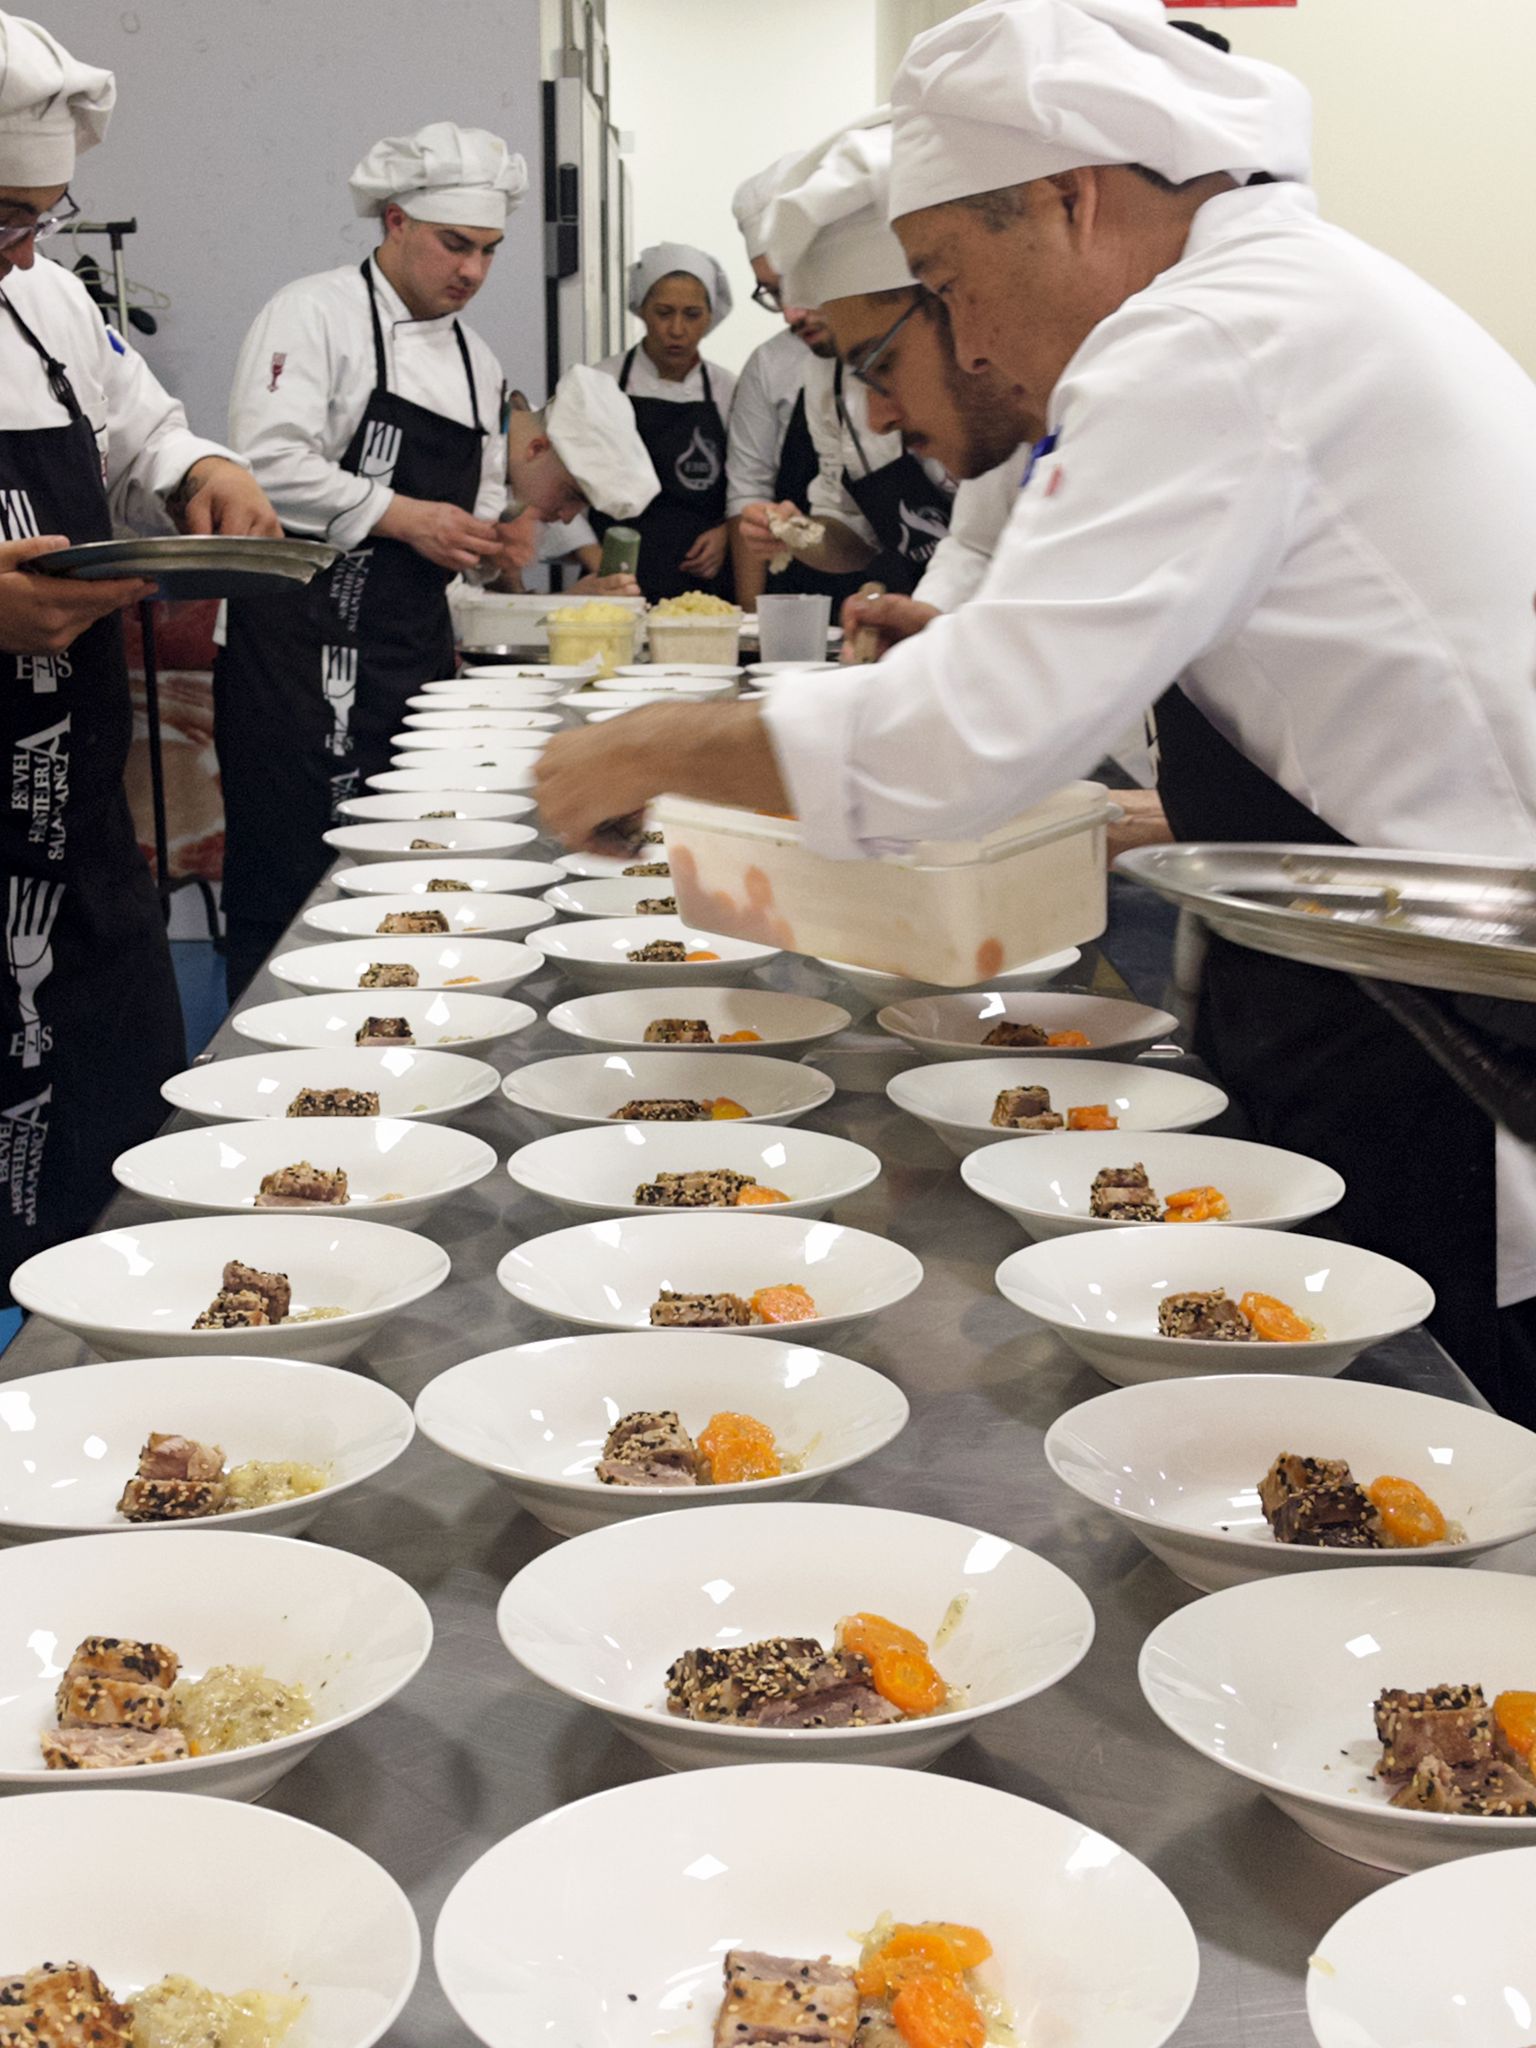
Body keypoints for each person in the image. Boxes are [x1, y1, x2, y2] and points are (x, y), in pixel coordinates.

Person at [536, 0, 1536, 1417]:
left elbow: (970, 742)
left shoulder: (1208, 336)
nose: (953, 347)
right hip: (1373, 996)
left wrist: (644, 750)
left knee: (1448, 1486)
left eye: (943, 280)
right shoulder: (1261, 303)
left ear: (1068, 204)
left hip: (1459, 1044)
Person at [0, 10, 279, 1289]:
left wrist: (201, 466)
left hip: (74, 838)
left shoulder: (48, 301)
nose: (19, 248)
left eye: (38, 218)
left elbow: (140, 427)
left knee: (114, 1164)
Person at [214, 121, 535, 1000]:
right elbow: (267, 464)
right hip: (294, 655)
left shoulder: (477, 359)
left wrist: (486, 540)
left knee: (402, 873)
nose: (471, 271)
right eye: (454, 244)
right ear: (395, 222)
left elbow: (485, 493)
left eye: (490, 251)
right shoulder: (312, 313)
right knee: (293, 881)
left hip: (407, 656)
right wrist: (402, 516)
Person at [737, 117, 1034, 623]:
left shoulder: (1058, 394)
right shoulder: (824, 379)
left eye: (881, 366)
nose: (879, 417)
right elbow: (971, 547)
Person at [724, 152, 863, 615]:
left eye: (795, 282)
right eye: (774, 292)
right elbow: (853, 532)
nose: (789, 313)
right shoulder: (822, 370)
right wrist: (796, 533)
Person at [593, 243, 736, 600]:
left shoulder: (729, 390)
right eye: (663, 312)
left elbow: (752, 481)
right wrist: (598, 564)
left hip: (707, 584)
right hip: (614, 578)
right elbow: (561, 491)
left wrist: (726, 534)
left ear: (710, 316)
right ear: (642, 310)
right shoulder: (602, 382)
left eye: (691, 314)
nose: (676, 329)